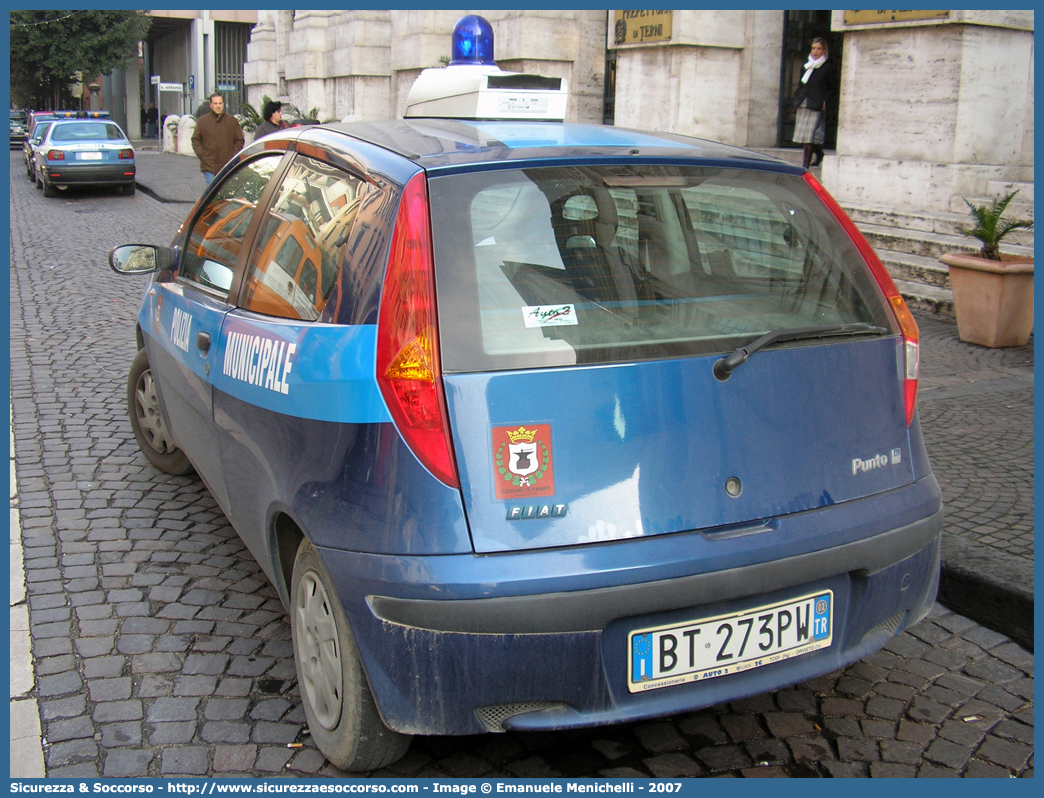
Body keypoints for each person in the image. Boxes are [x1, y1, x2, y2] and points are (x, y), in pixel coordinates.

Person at [792, 37, 837, 169]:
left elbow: (833, 87)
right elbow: (801, 84)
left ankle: (805, 165)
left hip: (816, 103)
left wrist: (825, 101)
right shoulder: (806, 66)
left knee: (809, 135)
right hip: (803, 102)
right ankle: (819, 153)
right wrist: (797, 100)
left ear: (824, 51)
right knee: (803, 135)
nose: (815, 51)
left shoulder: (828, 68)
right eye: (813, 48)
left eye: (818, 49)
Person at [191, 92, 245, 187]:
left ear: (223, 104)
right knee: (212, 191)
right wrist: (202, 155)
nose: (218, 106)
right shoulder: (203, 121)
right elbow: (196, 140)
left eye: (220, 103)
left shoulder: (232, 121)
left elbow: (239, 140)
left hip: (227, 164)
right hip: (209, 165)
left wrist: (232, 155)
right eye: (215, 104)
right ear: (210, 105)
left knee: (225, 191)